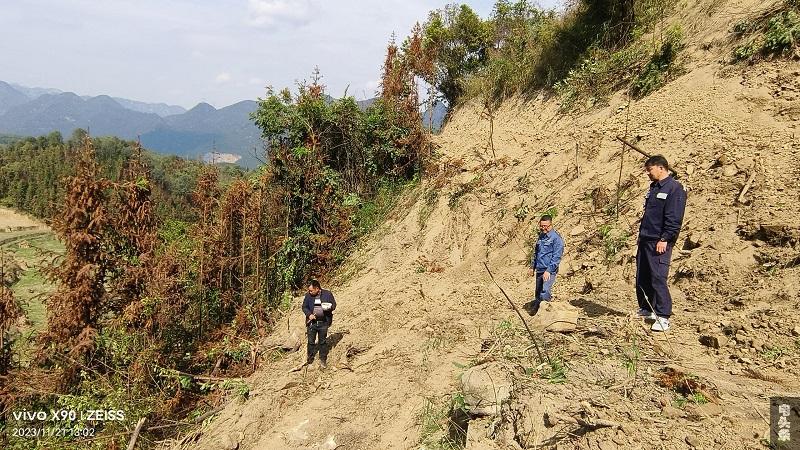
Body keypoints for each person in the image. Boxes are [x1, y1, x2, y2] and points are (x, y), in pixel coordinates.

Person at [636, 155, 686, 332]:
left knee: (658, 277)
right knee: (643, 276)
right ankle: (647, 308)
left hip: (659, 241)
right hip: (645, 238)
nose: (648, 173)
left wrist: (665, 238)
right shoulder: (654, 188)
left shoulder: (674, 189)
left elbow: (674, 218)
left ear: (661, 168)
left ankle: (663, 315)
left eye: (650, 170)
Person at [528, 215, 564, 312]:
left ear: (551, 225)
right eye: (542, 226)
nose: (543, 228)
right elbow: (536, 253)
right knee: (538, 291)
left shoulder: (556, 239)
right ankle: (537, 309)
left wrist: (549, 270)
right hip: (540, 268)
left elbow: (556, 257)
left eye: (546, 226)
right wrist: (532, 267)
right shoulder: (541, 237)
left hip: (549, 270)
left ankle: (544, 312)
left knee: (545, 290)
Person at [301, 279, 336, 368]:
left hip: (324, 322)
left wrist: (329, 307)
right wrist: (309, 315)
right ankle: (310, 359)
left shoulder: (327, 294)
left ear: (317, 288)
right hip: (312, 323)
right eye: (309, 290)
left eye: (311, 290)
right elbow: (304, 307)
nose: (310, 292)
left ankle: (323, 360)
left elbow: (334, 305)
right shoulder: (308, 296)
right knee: (311, 342)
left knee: (322, 342)